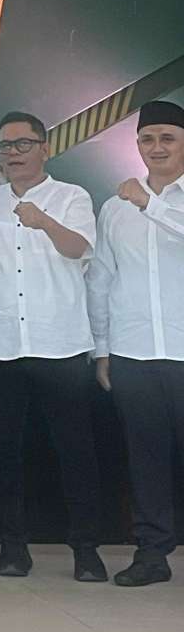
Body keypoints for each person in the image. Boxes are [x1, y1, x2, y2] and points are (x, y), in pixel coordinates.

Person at [0, 109, 105, 581]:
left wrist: (42, 221)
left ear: (45, 149)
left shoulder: (72, 196)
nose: (13, 154)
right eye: (5, 146)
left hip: (60, 342)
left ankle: (86, 550)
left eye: (23, 144)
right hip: (2, 343)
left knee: (75, 451)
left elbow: (79, 249)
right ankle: (12, 548)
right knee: (3, 451)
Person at [88, 100, 184, 588]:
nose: (156, 147)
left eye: (168, 138)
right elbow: (101, 278)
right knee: (145, 458)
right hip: (133, 352)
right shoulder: (114, 207)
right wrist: (102, 348)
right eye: (147, 139)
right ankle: (152, 553)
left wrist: (152, 205)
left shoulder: (144, 201)